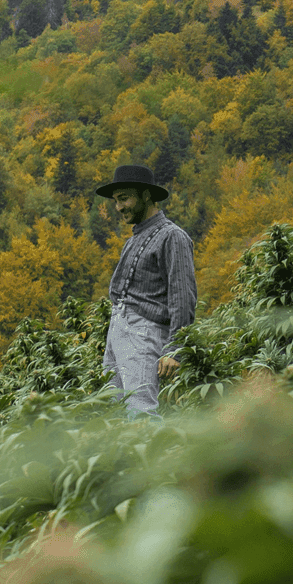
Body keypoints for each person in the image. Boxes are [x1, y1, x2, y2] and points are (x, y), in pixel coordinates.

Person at [95, 164, 197, 418]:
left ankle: (156, 458)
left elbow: (182, 297)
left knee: (141, 411)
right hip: (118, 330)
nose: (119, 207)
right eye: (116, 201)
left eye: (125, 198)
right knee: (114, 411)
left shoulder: (173, 236)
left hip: (144, 332)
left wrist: (174, 349)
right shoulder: (135, 238)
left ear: (146, 196)